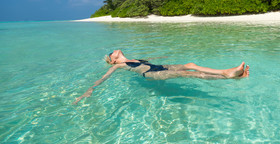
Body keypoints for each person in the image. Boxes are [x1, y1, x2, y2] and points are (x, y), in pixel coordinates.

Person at [73, 50, 250, 105]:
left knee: (190, 64)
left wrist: (163, 57)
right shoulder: (120, 65)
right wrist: (89, 90)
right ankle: (226, 74)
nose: (114, 51)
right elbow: (104, 77)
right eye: (112, 54)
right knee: (185, 74)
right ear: (113, 60)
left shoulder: (135, 58)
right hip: (153, 74)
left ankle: (233, 76)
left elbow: (152, 60)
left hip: (158, 66)